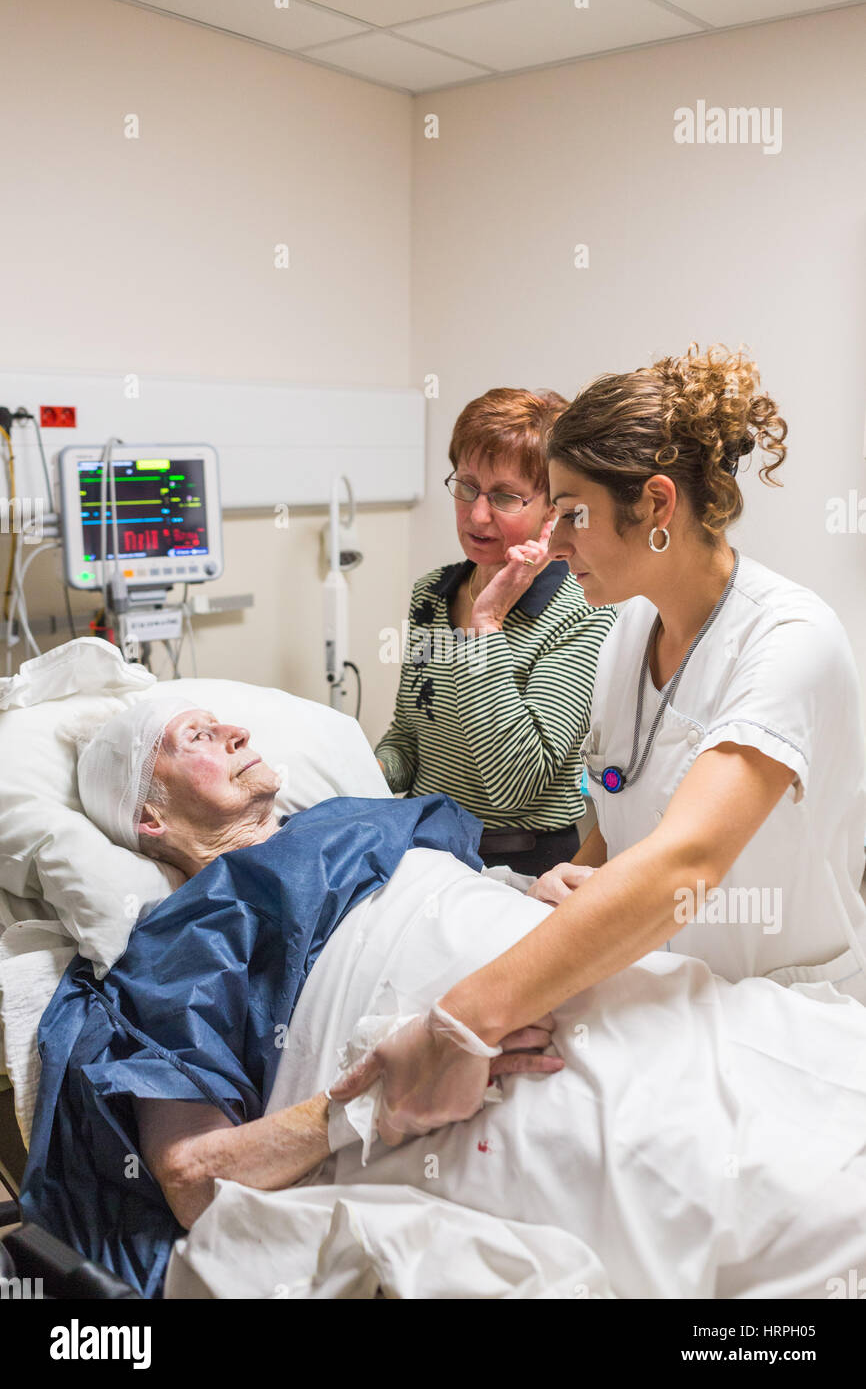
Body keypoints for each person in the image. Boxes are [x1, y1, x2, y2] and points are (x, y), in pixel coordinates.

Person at [27, 700, 866, 1301]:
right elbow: (191, 1178)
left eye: (226, 721)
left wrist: (528, 885)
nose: (237, 731)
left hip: (563, 975)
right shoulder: (172, 947)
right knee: (745, 1188)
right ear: (147, 815)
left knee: (782, 1063)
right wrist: (366, 1107)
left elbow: (459, 887)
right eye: (197, 738)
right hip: (450, 1088)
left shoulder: (358, 821)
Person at [333, 342, 866, 1142]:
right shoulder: (628, 635)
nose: (552, 539)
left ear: (655, 505)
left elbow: (682, 863)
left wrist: (460, 1024)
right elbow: (614, 829)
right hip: (656, 990)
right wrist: (566, 880)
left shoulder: (790, 639)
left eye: (570, 512)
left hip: (779, 1018)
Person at [375, 388, 617, 876]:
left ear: (553, 509)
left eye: (505, 497)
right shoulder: (432, 594)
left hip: (526, 865)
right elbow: (408, 734)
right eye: (466, 487)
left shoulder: (584, 610)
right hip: (425, 850)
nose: (477, 514)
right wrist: (362, 771)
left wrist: (486, 627)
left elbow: (516, 782)